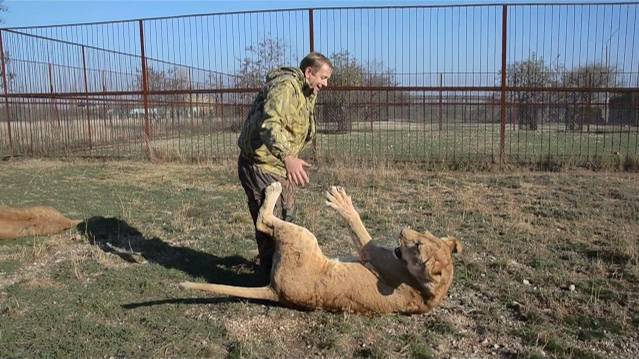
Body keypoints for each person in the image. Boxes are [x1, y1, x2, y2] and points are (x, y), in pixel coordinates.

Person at [237, 52, 333, 277]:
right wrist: (288, 157)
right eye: (323, 77)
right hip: (259, 163)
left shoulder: (307, 90)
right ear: (309, 72)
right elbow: (270, 125)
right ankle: (270, 279)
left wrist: (289, 159)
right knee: (270, 222)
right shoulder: (286, 86)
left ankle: (284, 271)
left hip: (278, 163)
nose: (325, 84)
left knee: (287, 216)